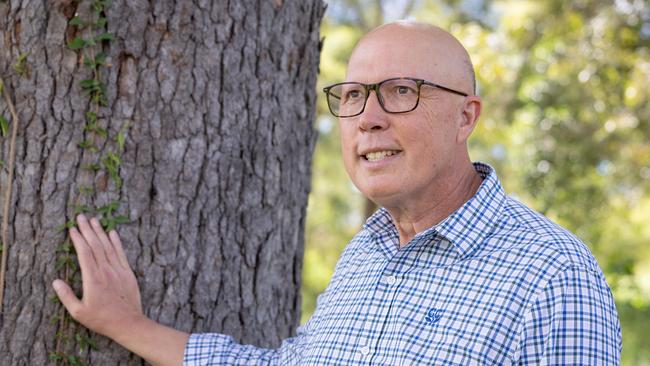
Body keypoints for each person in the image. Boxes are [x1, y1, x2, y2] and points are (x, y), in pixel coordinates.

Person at [53, 21, 622, 365]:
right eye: (352, 95)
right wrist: (125, 324)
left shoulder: (552, 275)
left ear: (464, 116)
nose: (368, 118)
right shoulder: (366, 256)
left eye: (401, 91)